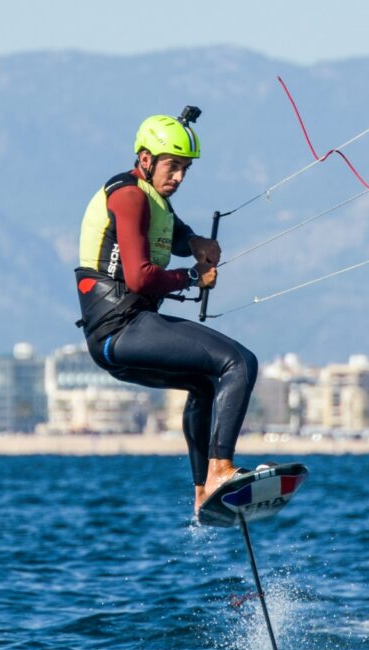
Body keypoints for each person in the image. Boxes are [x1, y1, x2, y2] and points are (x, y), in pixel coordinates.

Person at [74, 108, 256, 515]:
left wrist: (194, 242)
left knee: (205, 385)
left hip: (117, 339)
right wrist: (193, 276)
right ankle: (221, 470)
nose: (179, 176)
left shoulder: (152, 199)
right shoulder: (128, 196)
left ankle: (204, 492)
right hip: (122, 328)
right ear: (145, 159)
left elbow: (171, 231)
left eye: (185, 169)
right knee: (240, 363)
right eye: (172, 166)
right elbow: (140, 278)